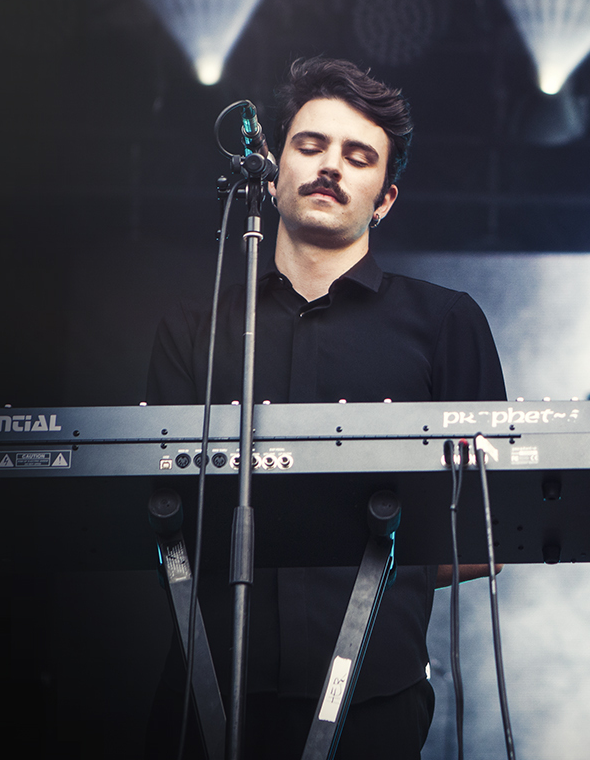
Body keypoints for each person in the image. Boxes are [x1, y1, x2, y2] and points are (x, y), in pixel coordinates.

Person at [144, 58, 505, 759]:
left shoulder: (445, 322)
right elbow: (158, 511)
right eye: (310, 145)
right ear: (273, 173)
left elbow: (488, 536)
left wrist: (371, 560)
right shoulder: (194, 326)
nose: (331, 165)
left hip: (377, 696)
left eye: (358, 155)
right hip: (204, 688)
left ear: (386, 198)